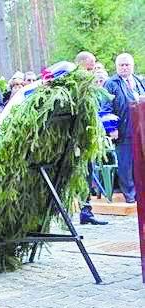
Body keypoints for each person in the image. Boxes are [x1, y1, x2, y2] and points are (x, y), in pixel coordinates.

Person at [103, 53, 145, 203]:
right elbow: (106, 108)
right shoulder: (111, 83)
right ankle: (130, 195)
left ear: (132, 66)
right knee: (125, 164)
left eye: (127, 65)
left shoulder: (139, 81)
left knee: (141, 163)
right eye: (121, 65)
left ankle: (141, 193)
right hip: (123, 129)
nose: (125, 67)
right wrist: (111, 128)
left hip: (140, 129)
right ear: (117, 67)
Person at [74, 51, 108, 225]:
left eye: (93, 67)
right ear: (80, 66)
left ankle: (86, 211)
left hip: (89, 138)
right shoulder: (74, 86)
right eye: (89, 67)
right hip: (76, 141)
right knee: (75, 176)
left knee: (88, 173)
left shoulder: (91, 85)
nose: (92, 71)